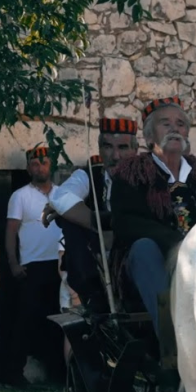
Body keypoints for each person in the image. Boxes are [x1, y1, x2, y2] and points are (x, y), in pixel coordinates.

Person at [111, 96, 196, 341]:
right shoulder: (132, 171)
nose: (174, 128)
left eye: (180, 124)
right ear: (149, 136)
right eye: (165, 123)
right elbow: (125, 222)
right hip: (154, 260)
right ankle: (174, 343)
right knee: (144, 248)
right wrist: (176, 244)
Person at [45, 118, 140, 311]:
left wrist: (71, 211)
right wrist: (98, 223)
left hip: (136, 258)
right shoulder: (89, 175)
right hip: (96, 261)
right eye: (107, 147)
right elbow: (60, 197)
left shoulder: (147, 175)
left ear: (135, 150)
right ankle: (93, 299)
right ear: (99, 148)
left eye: (123, 148)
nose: (115, 156)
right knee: (68, 221)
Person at [7, 145, 65, 385]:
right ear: (28, 167)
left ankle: (59, 375)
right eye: (34, 163)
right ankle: (14, 374)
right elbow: (10, 232)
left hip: (60, 265)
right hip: (32, 266)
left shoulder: (63, 194)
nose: (39, 166)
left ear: (51, 164)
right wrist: (13, 263)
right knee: (26, 321)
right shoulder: (20, 196)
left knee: (59, 322)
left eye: (43, 162)